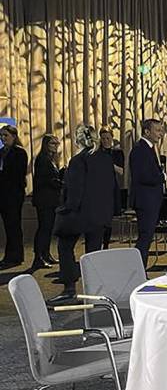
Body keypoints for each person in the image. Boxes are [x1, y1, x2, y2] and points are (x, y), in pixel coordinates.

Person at [47, 124, 118, 304]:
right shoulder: (105, 158)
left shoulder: (78, 160)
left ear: (78, 140)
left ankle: (69, 289)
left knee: (64, 246)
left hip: (79, 215)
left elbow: (74, 191)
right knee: (93, 253)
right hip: (100, 214)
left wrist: (64, 209)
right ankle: (94, 291)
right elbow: (112, 188)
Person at [129, 118, 166, 266]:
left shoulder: (148, 148)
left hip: (150, 201)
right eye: (157, 130)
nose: (160, 134)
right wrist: (164, 176)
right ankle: (138, 271)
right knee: (145, 238)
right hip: (145, 201)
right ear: (147, 131)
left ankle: (140, 271)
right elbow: (143, 176)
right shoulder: (140, 149)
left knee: (146, 238)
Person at [31, 134, 63, 269]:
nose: (56, 146)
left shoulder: (50, 159)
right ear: (46, 145)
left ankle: (46, 254)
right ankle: (38, 257)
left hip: (50, 200)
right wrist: (62, 183)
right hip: (44, 200)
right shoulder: (43, 159)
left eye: (57, 144)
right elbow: (47, 180)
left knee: (48, 229)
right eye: (52, 144)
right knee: (44, 228)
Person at [0, 124, 28, 269]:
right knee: (7, 226)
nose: (3, 138)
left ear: (14, 137)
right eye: (2, 136)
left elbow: (17, 175)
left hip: (13, 195)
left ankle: (15, 256)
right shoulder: (1, 152)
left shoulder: (19, 153)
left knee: (14, 226)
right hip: (2, 195)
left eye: (6, 135)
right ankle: (9, 255)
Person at [99, 127, 125, 249]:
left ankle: (106, 245)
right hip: (99, 188)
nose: (105, 141)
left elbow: (121, 171)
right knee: (100, 219)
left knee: (108, 219)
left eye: (108, 138)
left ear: (112, 138)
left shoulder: (117, 153)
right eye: (103, 138)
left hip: (111, 188)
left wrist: (109, 163)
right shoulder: (97, 153)